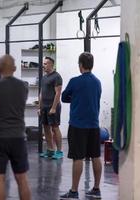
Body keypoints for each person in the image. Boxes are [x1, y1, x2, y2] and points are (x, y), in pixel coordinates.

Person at [0, 54, 31, 200]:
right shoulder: (24, 86)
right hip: (18, 137)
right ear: (15, 68)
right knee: (22, 179)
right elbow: (18, 104)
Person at [60, 52, 102, 199]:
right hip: (94, 125)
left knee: (78, 158)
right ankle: (96, 188)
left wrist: (75, 97)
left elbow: (64, 97)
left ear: (80, 65)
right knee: (96, 156)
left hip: (78, 125)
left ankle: (73, 191)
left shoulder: (75, 81)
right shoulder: (97, 82)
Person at [38, 57, 63, 159]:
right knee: (46, 128)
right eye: (43, 64)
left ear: (51, 65)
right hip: (44, 107)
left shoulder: (57, 77)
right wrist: (39, 107)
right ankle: (50, 150)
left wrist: (53, 108)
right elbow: (41, 93)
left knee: (55, 128)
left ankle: (59, 151)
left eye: (45, 64)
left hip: (53, 106)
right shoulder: (44, 78)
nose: (43, 65)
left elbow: (58, 93)